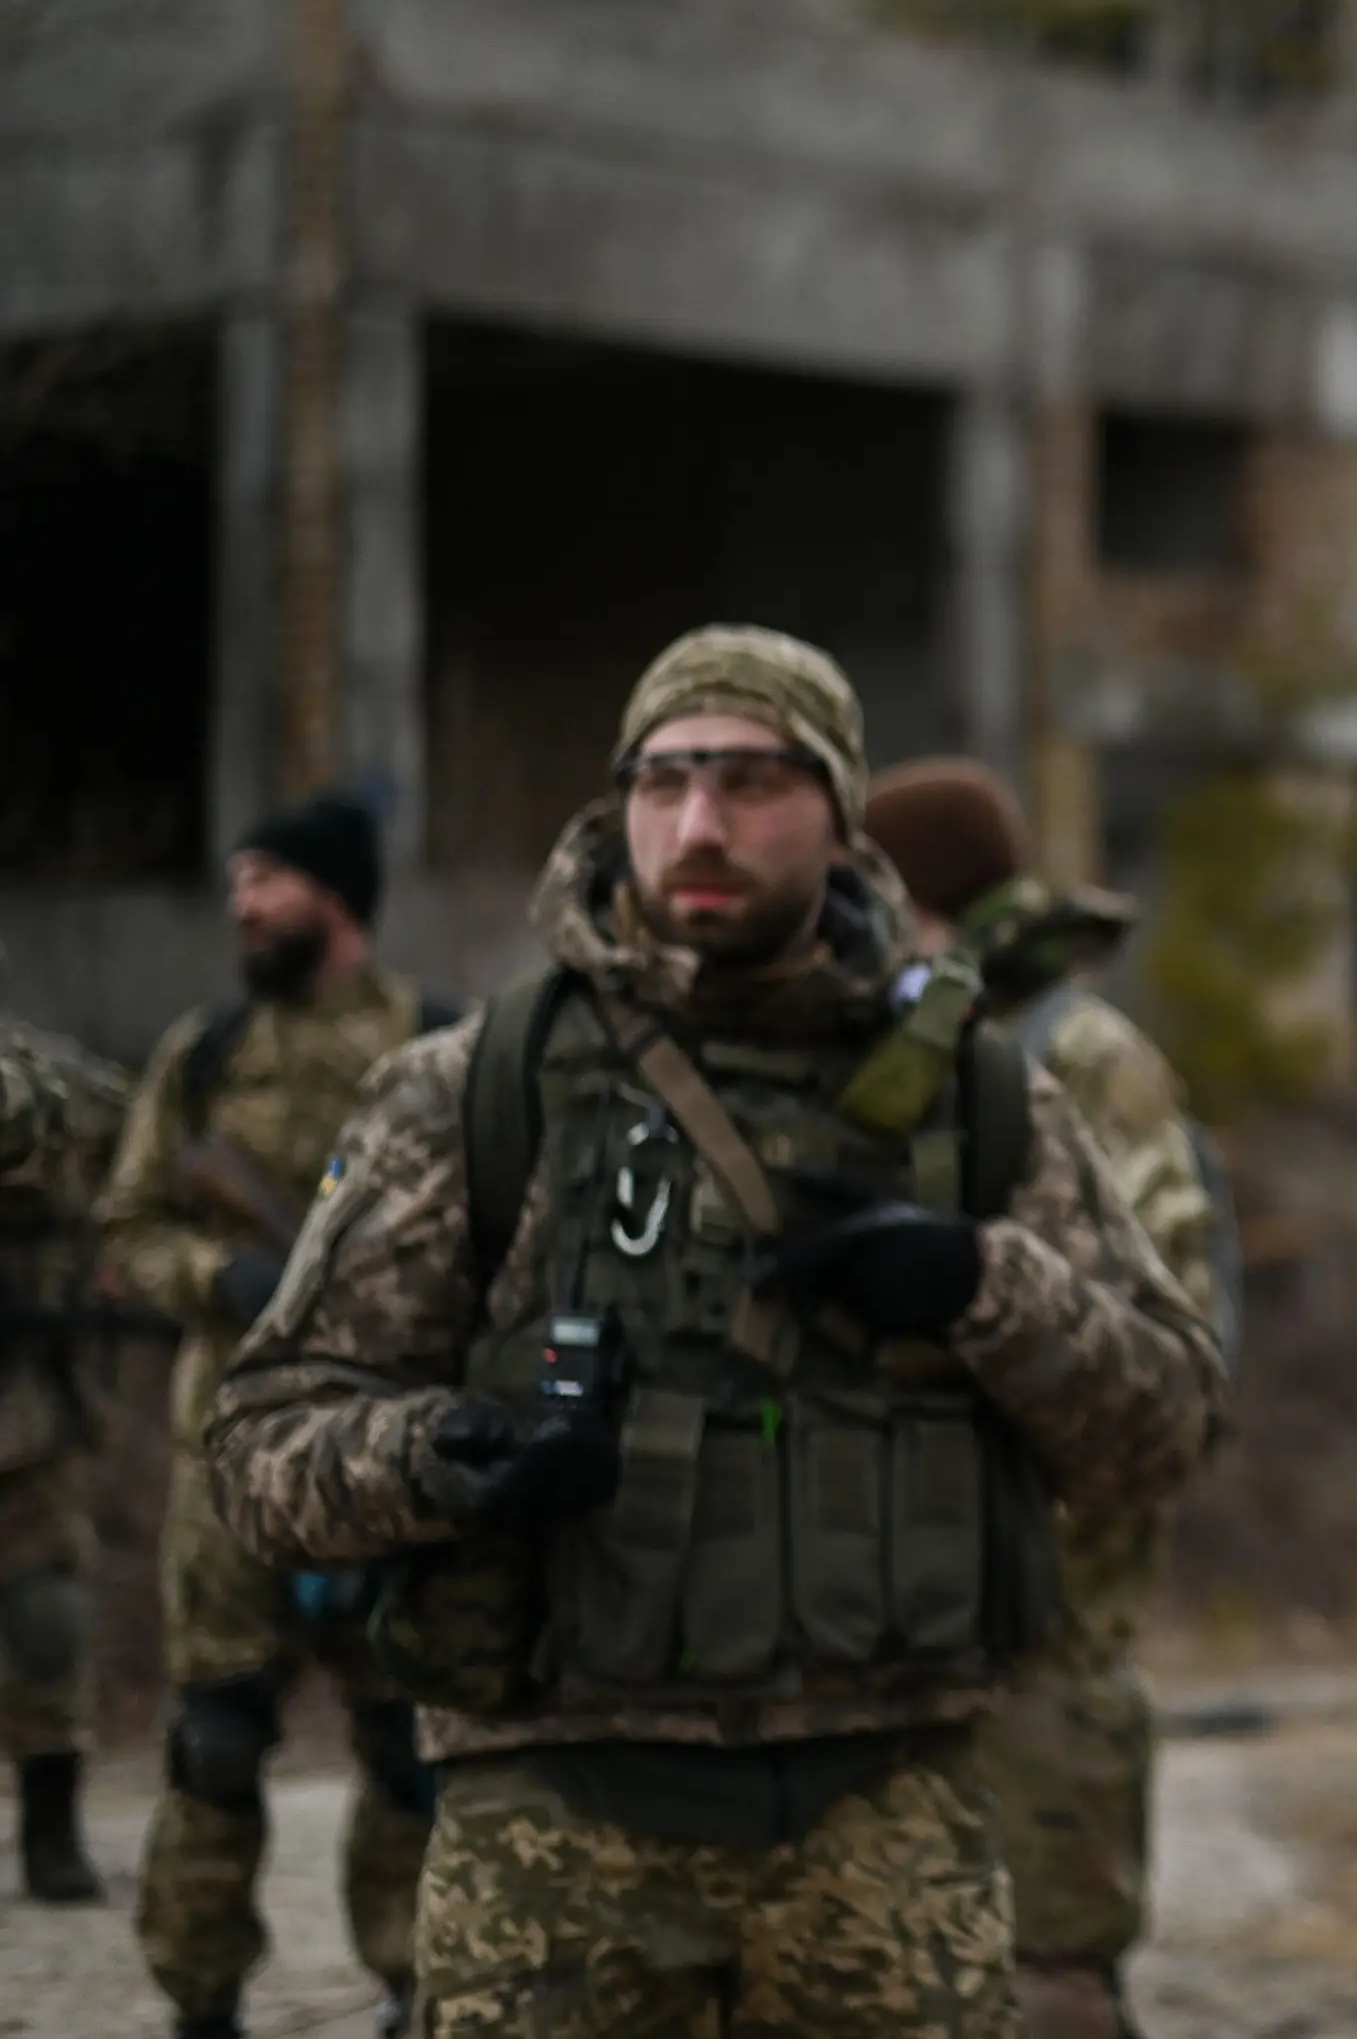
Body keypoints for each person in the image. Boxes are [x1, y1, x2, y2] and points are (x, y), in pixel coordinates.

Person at [203, 624, 1227, 2039]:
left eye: (752, 781)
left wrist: (983, 1284)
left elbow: (1169, 1426)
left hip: (888, 1825)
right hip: (552, 1830)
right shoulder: (475, 1091)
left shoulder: (980, 1098)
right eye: (665, 779)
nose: (699, 823)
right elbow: (259, 1447)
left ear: (840, 815)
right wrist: (447, 1450)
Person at [865, 755, 1225, 2039]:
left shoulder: (1079, 1055)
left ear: (925, 906)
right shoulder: (928, 1044)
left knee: (1049, 1984)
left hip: (1052, 1603)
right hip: (933, 1604)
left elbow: (1163, 1341)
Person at [94, 791, 442, 2036]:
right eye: (238, 878)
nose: (242, 902)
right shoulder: (206, 1053)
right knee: (217, 1737)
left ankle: (416, 1977)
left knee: (409, 1736)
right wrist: (221, 1275)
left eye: (268, 878)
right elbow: (128, 1229)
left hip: (389, 1448)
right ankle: (200, 1994)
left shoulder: (437, 1046)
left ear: (335, 895)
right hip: (231, 1456)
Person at [0, 995, 128, 1904]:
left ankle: (52, 1823)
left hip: (22, 1402)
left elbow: (111, 1128)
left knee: (45, 1615)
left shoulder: (39, 1075)